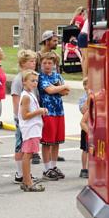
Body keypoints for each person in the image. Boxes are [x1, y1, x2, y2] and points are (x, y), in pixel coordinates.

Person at [37, 51, 68, 180]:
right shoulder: (41, 77)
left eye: (50, 63)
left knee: (56, 141)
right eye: (45, 63)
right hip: (47, 112)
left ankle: (53, 166)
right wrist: (61, 87)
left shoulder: (57, 76)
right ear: (41, 64)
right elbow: (49, 90)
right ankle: (46, 168)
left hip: (59, 111)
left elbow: (65, 92)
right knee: (47, 142)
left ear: (54, 64)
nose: (47, 65)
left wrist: (60, 88)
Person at [11, 50, 39, 182]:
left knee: (25, 146)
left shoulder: (31, 77)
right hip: (22, 119)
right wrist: (19, 117)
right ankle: (19, 173)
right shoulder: (19, 79)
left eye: (34, 61)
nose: (34, 63)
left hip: (29, 118)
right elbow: (16, 100)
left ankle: (25, 173)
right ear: (23, 63)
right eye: (31, 61)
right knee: (20, 145)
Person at [18, 70, 47, 192]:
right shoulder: (26, 97)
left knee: (28, 154)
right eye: (32, 81)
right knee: (28, 155)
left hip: (33, 128)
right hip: (30, 130)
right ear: (24, 82)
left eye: (36, 81)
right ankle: (28, 182)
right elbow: (25, 115)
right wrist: (39, 111)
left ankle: (26, 180)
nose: (35, 83)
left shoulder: (30, 94)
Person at [79, 76, 91, 178]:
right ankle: (84, 168)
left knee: (91, 149)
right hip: (86, 127)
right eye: (88, 84)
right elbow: (83, 111)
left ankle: (91, 167)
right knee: (85, 149)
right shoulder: (83, 98)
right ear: (85, 87)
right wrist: (88, 99)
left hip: (93, 126)